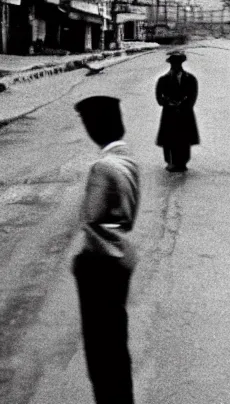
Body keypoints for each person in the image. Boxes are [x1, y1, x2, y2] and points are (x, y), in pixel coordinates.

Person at [73, 96, 140, 404]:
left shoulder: (102, 167)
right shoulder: (127, 160)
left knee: (100, 351)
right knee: (115, 342)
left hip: (100, 265)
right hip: (122, 260)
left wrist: (80, 262)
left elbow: (92, 218)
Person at [155, 50, 199, 172]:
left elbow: (193, 96)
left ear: (181, 64)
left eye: (178, 63)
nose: (176, 66)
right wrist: (168, 103)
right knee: (169, 138)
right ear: (170, 64)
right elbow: (159, 98)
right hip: (169, 113)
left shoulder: (190, 79)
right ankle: (170, 161)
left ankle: (183, 162)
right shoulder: (163, 80)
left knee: (184, 138)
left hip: (185, 113)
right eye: (174, 63)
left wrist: (185, 105)